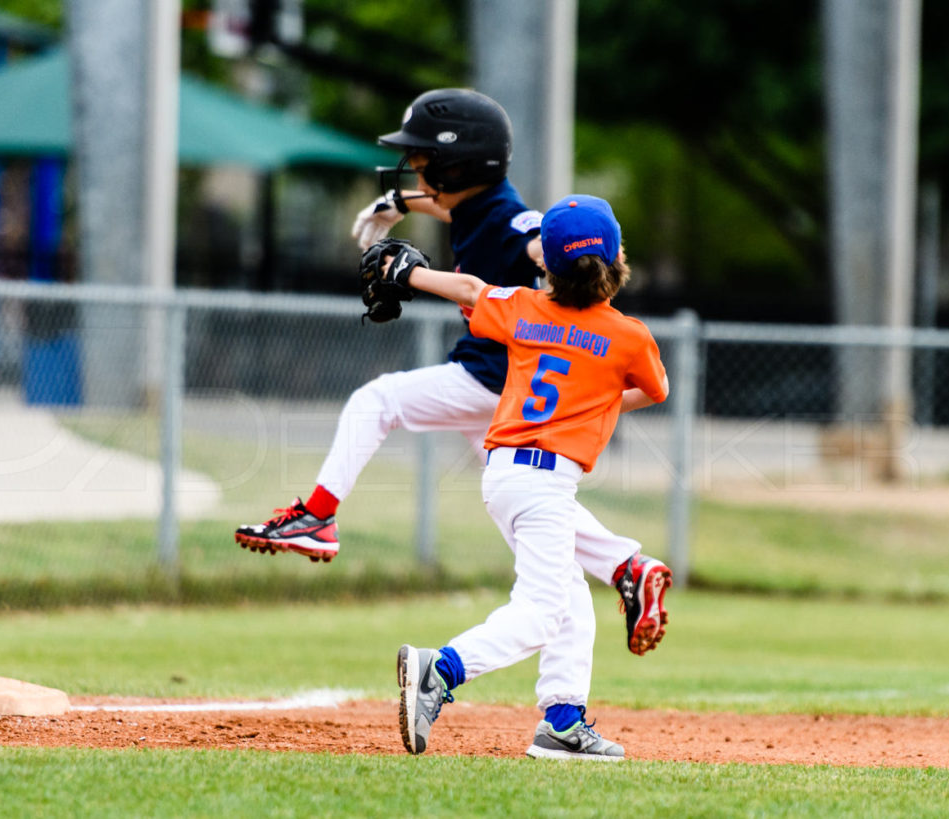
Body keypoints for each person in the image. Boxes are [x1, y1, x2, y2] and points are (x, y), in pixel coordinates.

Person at [234, 88, 671, 657]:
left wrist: (546, 253)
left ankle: (316, 516)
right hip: (506, 398)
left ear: (458, 162)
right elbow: (454, 208)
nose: (415, 165)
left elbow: (535, 237)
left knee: (377, 401)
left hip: (490, 383)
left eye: (423, 160)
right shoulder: (479, 206)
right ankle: (623, 575)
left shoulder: (516, 220)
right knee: (547, 550)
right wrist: (401, 200)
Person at [388, 194, 669, 759]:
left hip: (507, 472)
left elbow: (470, 291)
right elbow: (655, 390)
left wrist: (411, 272)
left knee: (569, 600)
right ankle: (438, 669)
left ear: (547, 264)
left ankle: (563, 722)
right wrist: (594, 400)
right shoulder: (628, 336)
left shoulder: (524, 307)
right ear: (616, 261)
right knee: (541, 611)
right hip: (544, 481)